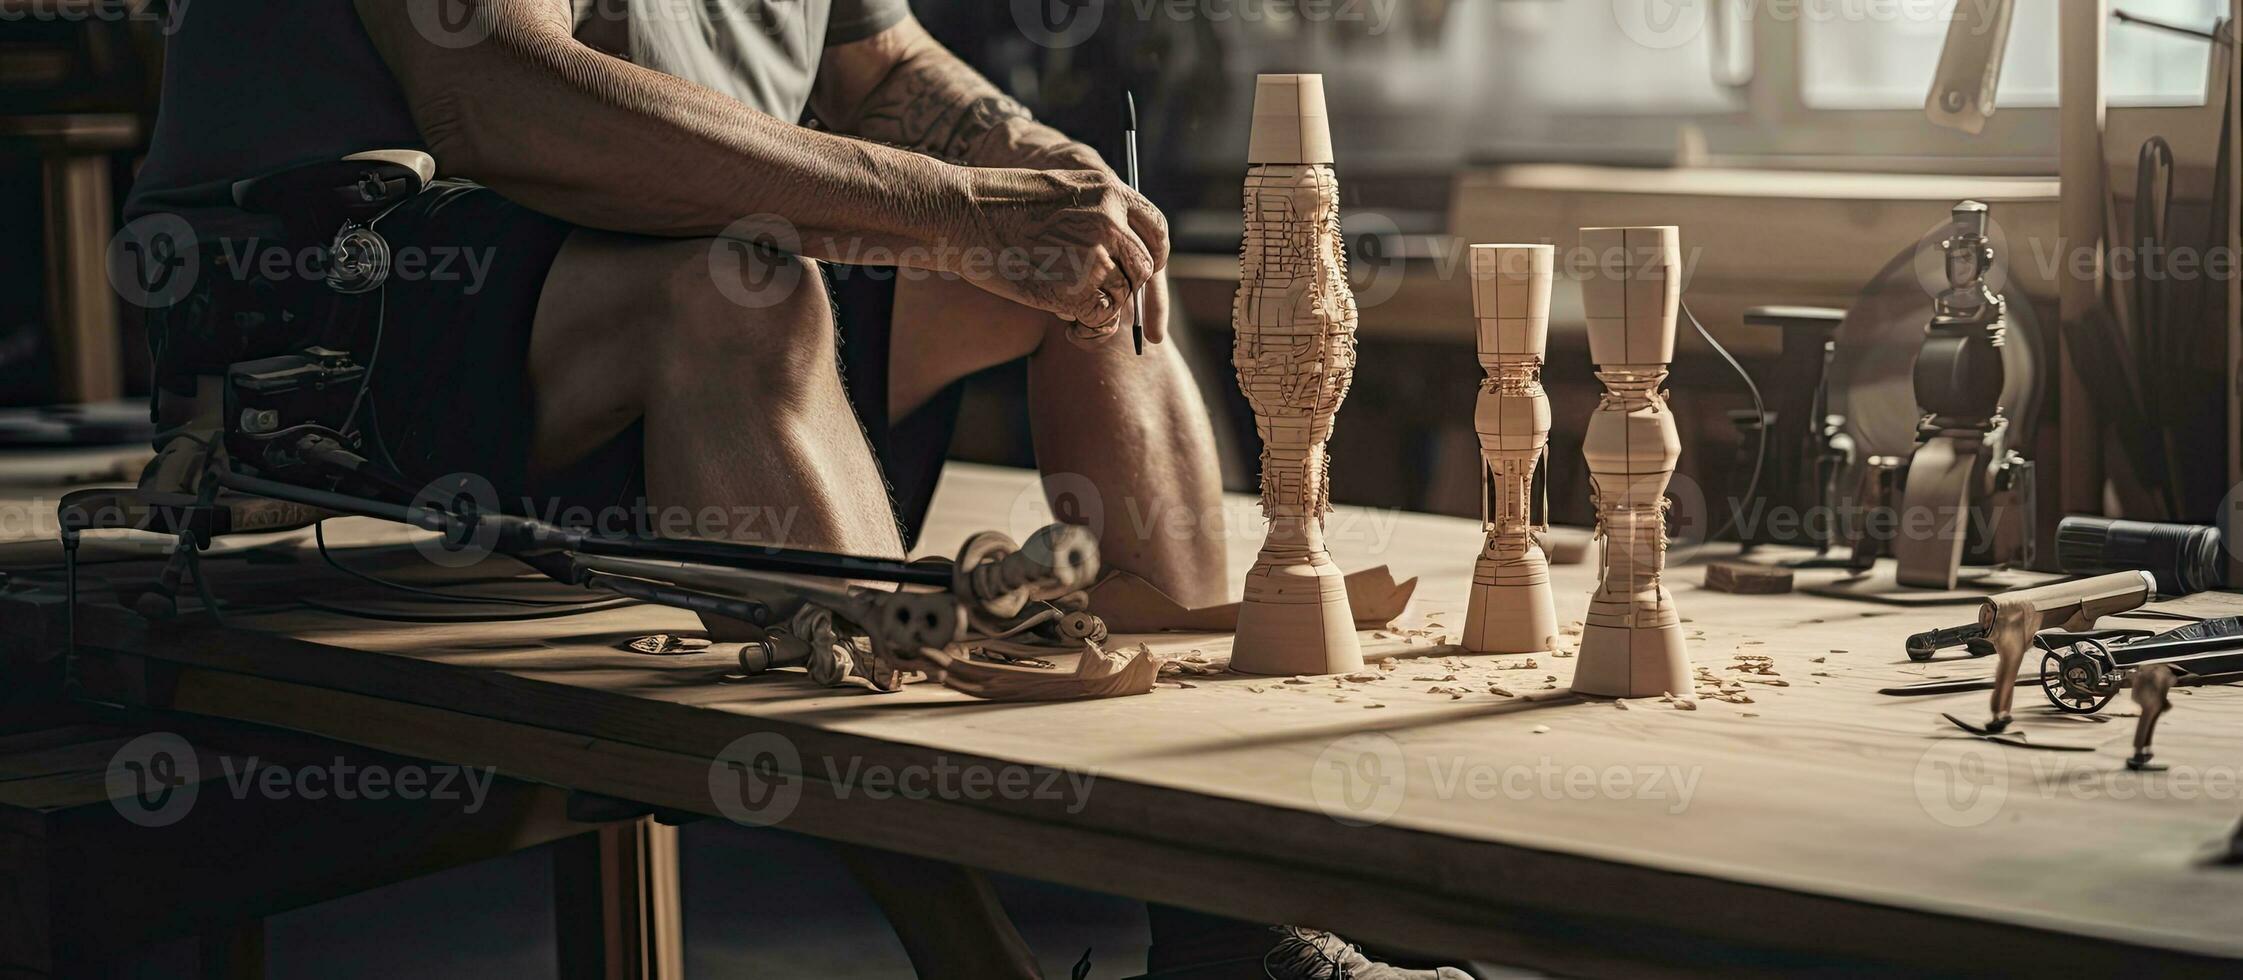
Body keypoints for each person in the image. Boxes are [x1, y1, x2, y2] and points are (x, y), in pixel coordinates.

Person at [124, 2, 1465, 976]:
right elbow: (502, 100)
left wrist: (1046, 183)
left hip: (623, 274)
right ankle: (973, 956)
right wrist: (950, 207)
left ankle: (1242, 938)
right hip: (328, 303)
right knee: (736, 296)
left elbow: (879, 65)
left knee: (1089, 275)